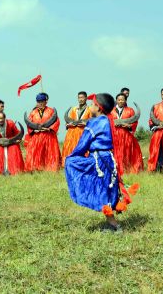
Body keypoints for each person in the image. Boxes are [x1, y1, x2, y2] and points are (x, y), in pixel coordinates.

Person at [65, 93, 134, 232]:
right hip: (107, 158)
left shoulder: (95, 122)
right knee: (105, 190)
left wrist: (72, 157)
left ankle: (115, 226)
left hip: (98, 161)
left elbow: (83, 143)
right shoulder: (108, 120)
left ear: (99, 107)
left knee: (98, 189)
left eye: (92, 104)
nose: (90, 106)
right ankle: (112, 224)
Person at [24, 93, 61, 172]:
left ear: (46, 102)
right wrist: (33, 130)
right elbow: (29, 123)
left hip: (49, 136)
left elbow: (56, 121)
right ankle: (35, 169)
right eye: (38, 101)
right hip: (36, 136)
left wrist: (49, 129)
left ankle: (50, 168)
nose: (40, 103)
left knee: (49, 153)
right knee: (35, 153)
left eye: (42, 101)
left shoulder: (51, 111)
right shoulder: (33, 112)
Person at [110, 93, 143, 173]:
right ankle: (115, 170)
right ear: (116, 100)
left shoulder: (130, 110)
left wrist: (128, 125)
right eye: (119, 100)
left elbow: (134, 122)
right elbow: (107, 122)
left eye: (122, 100)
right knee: (114, 153)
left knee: (127, 153)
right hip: (114, 136)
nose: (121, 101)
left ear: (125, 101)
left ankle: (127, 170)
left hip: (126, 136)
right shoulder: (111, 111)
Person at [61, 91, 92, 166]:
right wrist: (68, 124)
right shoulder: (74, 109)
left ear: (86, 98)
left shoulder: (90, 109)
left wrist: (85, 123)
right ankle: (69, 165)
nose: (80, 99)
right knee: (70, 149)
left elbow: (92, 121)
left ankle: (83, 165)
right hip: (72, 134)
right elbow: (70, 120)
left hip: (83, 133)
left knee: (83, 149)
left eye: (82, 97)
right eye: (79, 98)